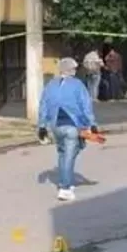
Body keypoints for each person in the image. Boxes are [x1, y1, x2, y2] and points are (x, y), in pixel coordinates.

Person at [38, 57, 98, 202]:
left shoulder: (51, 85)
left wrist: (42, 126)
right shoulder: (78, 85)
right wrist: (92, 123)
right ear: (71, 70)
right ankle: (65, 188)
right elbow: (85, 105)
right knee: (70, 155)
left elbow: (43, 105)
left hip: (55, 126)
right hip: (72, 125)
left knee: (62, 153)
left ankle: (65, 181)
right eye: (75, 68)